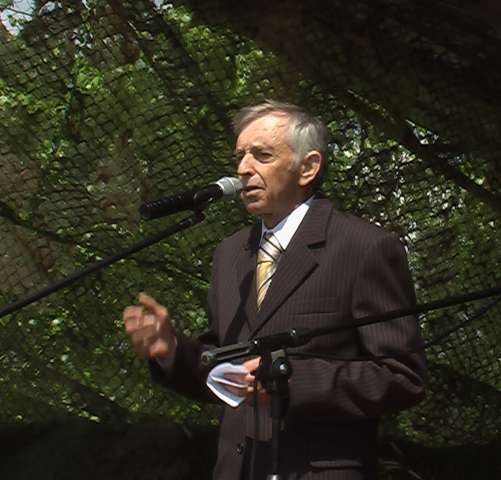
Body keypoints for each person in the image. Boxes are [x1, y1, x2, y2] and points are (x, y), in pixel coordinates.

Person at [123, 100, 426, 479]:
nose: (243, 168)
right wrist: (172, 352)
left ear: (308, 167)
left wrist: (288, 383)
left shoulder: (363, 247)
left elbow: (402, 376)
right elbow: (226, 367)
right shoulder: (230, 254)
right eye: (240, 156)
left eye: (262, 155)